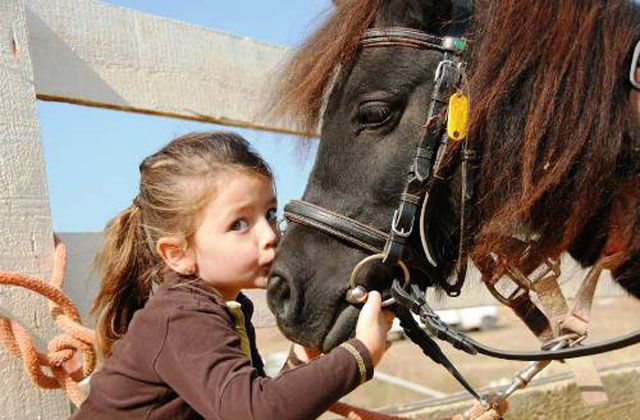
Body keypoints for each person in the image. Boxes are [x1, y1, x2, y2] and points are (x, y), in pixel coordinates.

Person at [74, 131, 393, 419]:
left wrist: (300, 361)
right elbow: (254, 413)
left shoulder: (221, 309)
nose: (269, 234)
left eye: (269, 214)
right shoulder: (183, 317)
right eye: (239, 224)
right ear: (178, 254)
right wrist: (360, 354)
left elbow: (248, 402)